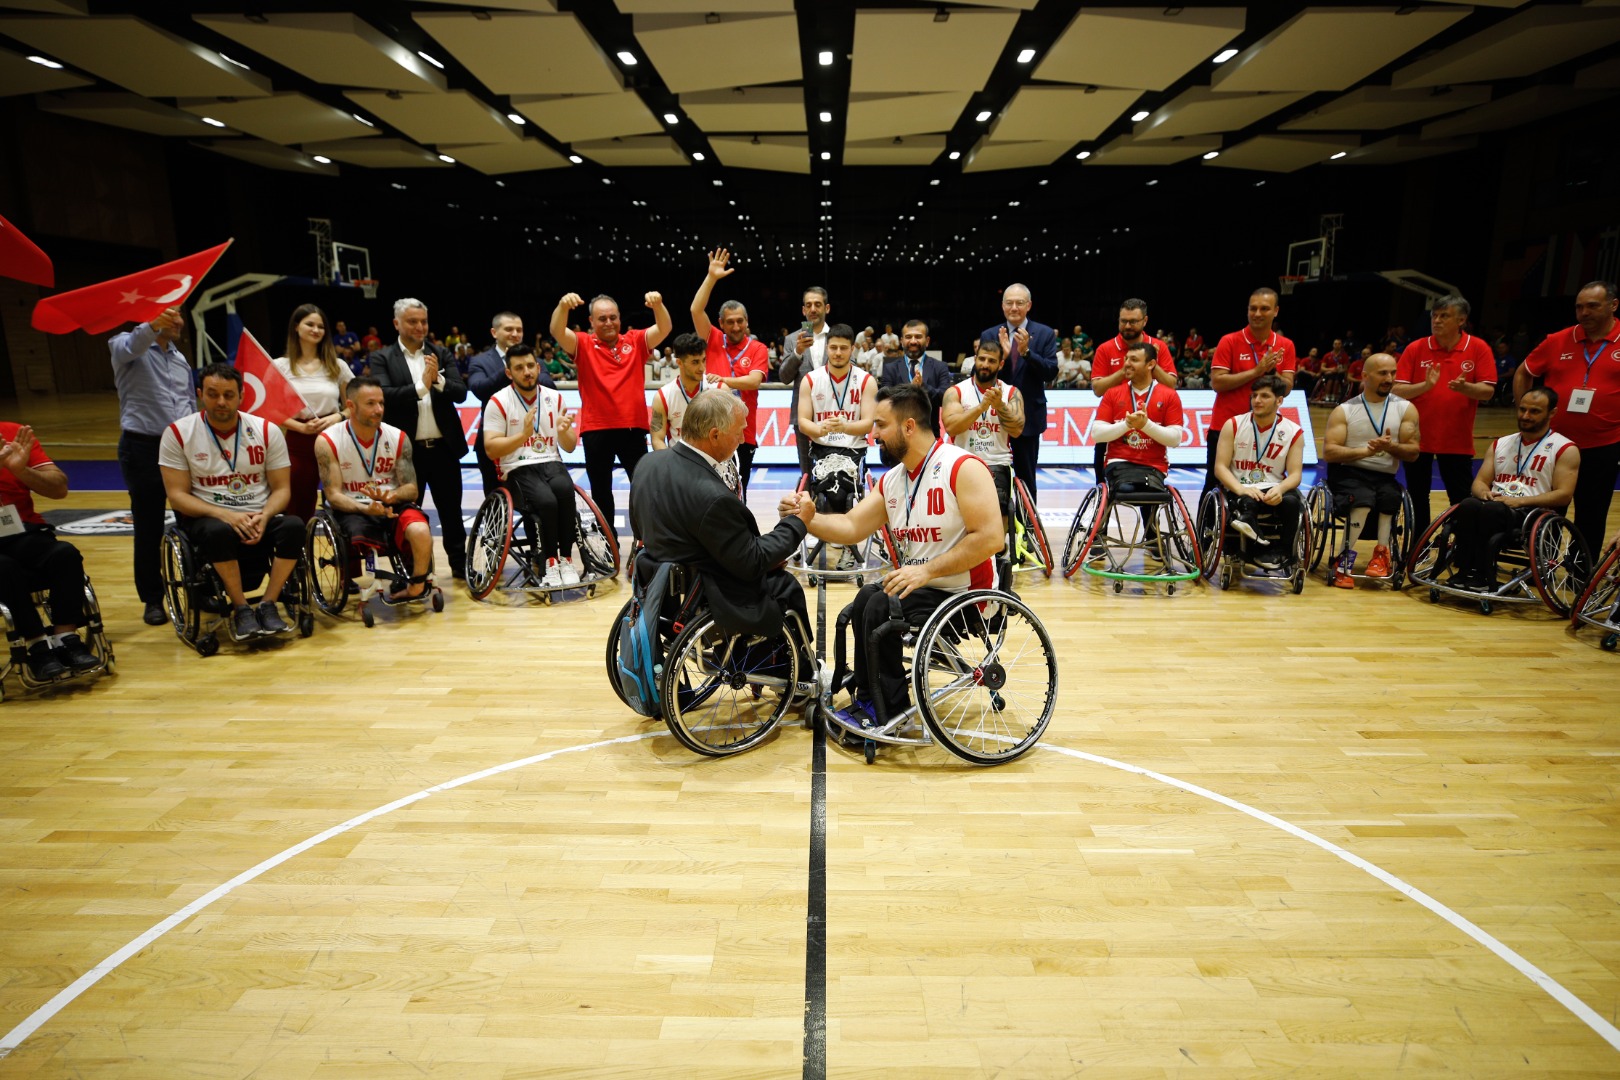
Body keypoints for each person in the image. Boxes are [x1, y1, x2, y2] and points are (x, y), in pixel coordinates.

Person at [788, 384, 1001, 721]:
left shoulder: (963, 467)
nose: (873, 435)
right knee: (865, 599)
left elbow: (991, 539)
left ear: (909, 426)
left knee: (879, 605)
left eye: (881, 425)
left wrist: (927, 571)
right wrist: (808, 518)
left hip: (964, 593)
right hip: (919, 586)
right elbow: (850, 527)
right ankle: (868, 692)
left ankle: (888, 708)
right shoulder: (893, 479)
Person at [631, 391, 813, 649]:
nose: (742, 439)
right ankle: (800, 669)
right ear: (714, 435)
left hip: (662, 586)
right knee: (784, 585)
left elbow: (639, 528)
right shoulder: (712, 496)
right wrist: (798, 523)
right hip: (709, 593)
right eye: (739, 432)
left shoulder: (648, 463)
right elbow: (753, 561)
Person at [158, 364, 304, 640]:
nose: (221, 402)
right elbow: (176, 496)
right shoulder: (178, 434)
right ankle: (241, 609)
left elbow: (282, 489)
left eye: (228, 394)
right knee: (217, 530)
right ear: (201, 394)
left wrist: (265, 514)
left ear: (241, 396)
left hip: (260, 514)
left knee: (294, 526)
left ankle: (268, 604)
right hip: (208, 519)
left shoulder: (266, 430)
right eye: (213, 394)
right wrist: (225, 515)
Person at [551, 290, 669, 540]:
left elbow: (665, 327)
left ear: (619, 319)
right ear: (591, 322)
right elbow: (557, 331)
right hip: (596, 430)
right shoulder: (582, 343)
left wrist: (657, 305)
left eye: (613, 317)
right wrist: (563, 307)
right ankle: (608, 544)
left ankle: (645, 543)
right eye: (602, 318)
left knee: (642, 489)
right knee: (601, 492)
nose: (608, 323)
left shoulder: (635, 340)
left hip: (633, 429)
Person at [368, 298, 469, 580]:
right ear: (396, 323)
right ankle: (414, 571)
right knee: (407, 514)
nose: (420, 327)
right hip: (405, 453)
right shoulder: (382, 357)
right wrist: (421, 386)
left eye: (424, 321)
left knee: (451, 513)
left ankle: (461, 568)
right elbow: (386, 396)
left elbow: (460, 392)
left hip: (443, 449)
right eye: (413, 321)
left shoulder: (440, 353)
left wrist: (439, 381)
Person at [1516, 280, 1620, 549]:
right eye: (1579, 307)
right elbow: (1524, 372)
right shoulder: (1557, 340)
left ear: (1613, 305)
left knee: (1592, 514)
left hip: (1603, 445)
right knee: (1544, 512)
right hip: (1553, 445)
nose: (1584, 312)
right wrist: (1525, 411)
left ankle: (1578, 577)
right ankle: (1541, 571)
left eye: (1592, 306)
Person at [110, 305, 195, 626]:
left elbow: (187, 402)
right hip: (142, 447)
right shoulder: (124, 346)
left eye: (178, 315)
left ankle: (198, 588)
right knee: (148, 528)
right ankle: (153, 598)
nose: (176, 321)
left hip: (181, 448)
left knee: (192, 520)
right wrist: (150, 326)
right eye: (168, 314)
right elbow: (131, 345)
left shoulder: (180, 359)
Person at [1447, 387, 1581, 589]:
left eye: (1534, 411)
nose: (1526, 416)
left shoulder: (1565, 448)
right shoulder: (1501, 443)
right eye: (1522, 409)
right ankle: (1466, 570)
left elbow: (1564, 495)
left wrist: (1519, 501)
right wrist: (1484, 492)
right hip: (1495, 505)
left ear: (1552, 413)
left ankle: (1483, 574)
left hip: (1529, 513)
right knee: (1468, 504)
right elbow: (1479, 482)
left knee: (1491, 510)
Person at [315, 377, 435, 600]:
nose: (378, 409)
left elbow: (412, 489)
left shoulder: (398, 437)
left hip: (391, 504)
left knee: (420, 530)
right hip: (353, 508)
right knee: (357, 532)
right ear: (351, 406)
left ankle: (417, 585)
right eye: (370, 403)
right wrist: (366, 508)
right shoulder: (328, 441)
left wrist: (391, 495)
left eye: (381, 403)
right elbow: (333, 495)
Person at [0, 422, 100, 680]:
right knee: (5, 568)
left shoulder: (13, 434)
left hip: (19, 531)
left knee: (64, 554)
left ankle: (66, 638)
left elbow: (59, 488)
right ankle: (37, 645)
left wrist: (22, 471)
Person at [1394, 295, 1497, 537]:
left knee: (1460, 498)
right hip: (1416, 437)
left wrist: (1466, 389)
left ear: (1461, 320)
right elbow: (1397, 390)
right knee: (1418, 495)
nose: (1437, 320)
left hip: (1456, 439)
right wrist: (1424, 387)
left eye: (1444, 316)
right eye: (1435, 316)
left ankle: (1462, 547)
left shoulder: (1478, 347)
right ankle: (1420, 544)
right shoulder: (1416, 347)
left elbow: (1488, 391)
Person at [482, 343, 581, 587]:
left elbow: (569, 447)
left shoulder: (555, 397)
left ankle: (566, 560)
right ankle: (549, 563)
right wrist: (523, 435)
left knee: (566, 492)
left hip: (550, 461)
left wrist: (565, 432)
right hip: (516, 467)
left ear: (537, 368)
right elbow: (490, 448)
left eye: (529, 366)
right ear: (509, 373)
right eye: (519, 368)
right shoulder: (498, 401)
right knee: (546, 502)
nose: (526, 371)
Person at [1321, 353, 1421, 587]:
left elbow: (1413, 451)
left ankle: (1382, 555)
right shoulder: (1345, 410)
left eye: (1393, 373)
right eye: (1383, 373)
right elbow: (1330, 453)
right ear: (1365, 376)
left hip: (1385, 475)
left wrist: (1391, 447)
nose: (1389, 378)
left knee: (1390, 498)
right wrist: (1364, 452)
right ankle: (1343, 560)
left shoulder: (1406, 409)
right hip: (1348, 472)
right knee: (1363, 499)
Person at [690, 248, 770, 495]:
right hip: (709, 432)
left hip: (742, 433)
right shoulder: (712, 338)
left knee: (738, 492)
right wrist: (711, 278)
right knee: (706, 491)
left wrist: (723, 380)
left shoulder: (758, 348)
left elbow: (754, 381)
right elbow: (696, 310)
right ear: (721, 324)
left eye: (740, 321)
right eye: (730, 322)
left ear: (747, 322)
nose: (735, 326)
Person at [1088, 341, 1186, 544]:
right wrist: (1128, 424)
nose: (1127, 364)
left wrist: (1146, 425)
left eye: (1134, 360)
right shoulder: (1113, 393)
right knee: (1127, 487)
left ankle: (1152, 534)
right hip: (1118, 462)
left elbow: (1176, 439)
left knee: (1149, 489)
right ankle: (1101, 534)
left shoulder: (1169, 395)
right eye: (1125, 359)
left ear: (1151, 364)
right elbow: (1097, 433)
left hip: (1154, 466)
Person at [1205, 288, 1297, 497]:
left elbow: (1287, 387)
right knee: (1214, 482)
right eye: (1253, 308)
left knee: (1260, 481)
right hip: (1226, 426)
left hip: (1265, 429)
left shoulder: (1285, 345)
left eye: (1264, 309)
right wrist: (1257, 371)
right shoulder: (1229, 341)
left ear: (1276, 311)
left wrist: (1271, 370)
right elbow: (1217, 383)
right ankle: (1207, 529)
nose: (1257, 313)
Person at [799, 324, 876, 569]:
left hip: (853, 450)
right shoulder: (811, 379)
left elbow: (867, 424)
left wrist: (843, 426)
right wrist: (819, 429)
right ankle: (836, 539)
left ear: (852, 349)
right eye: (833, 347)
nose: (838, 353)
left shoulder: (866, 380)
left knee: (843, 490)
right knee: (825, 488)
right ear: (827, 349)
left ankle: (843, 543)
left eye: (844, 348)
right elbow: (802, 422)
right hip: (821, 449)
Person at [1211, 373, 1306, 560]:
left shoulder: (1293, 431)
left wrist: (1280, 488)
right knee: (1248, 502)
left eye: (1264, 396)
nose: (1257, 400)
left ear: (1279, 400)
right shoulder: (1233, 425)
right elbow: (1220, 467)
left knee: (1291, 502)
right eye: (1254, 395)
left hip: (1274, 487)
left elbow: (1295, 475)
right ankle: (1251, 545)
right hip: (1240, 486)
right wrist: (1241, 489)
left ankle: (1285, 553)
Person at [273, 303, 351, 526]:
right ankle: (296, 558)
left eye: (321, 326)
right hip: (297, 441)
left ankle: (347, 557)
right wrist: (300, 427)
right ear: (296, 327)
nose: (316, 330)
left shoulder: (338, 366)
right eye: (310, 324)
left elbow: (352, 406)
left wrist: (338, 417)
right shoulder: (280, 366)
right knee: (297, 505)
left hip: (334, 440)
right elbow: (271, 410)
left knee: (342, 501)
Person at [977, 284, 1057, 498]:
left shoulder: (1044, 333)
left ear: (1028, 305)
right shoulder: (990, 334)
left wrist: (1026, 353)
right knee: (991, 477)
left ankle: (1028, 527)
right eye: (1009, 302)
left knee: (1026, 479)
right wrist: (1002, 359)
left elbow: (1050, 372)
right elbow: (982, 376)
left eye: (1019, 303)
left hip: (1029, 417)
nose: (1014, 307)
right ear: (1002, 306)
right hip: (993, 418)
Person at [1088, 299, 1177, 482]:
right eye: (1123, 321)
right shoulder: (1105, 348)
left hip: (1150, 424)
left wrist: (1152, 362)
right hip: (1114, 421)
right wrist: (1124, 371)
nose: (1127, 326)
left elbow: (1171, 386)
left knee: (1149, 491)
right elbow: (1097, 389)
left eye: (1133, 321)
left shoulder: (1158, 346)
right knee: (1104, 486)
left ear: (1145, 321)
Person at [941, 336, 1024, 529]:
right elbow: (951, 426)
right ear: (975, 359)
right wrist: (981, 407)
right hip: (962, 461)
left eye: (992, 361)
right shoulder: (956, 391)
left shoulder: (1011, 393)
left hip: (996, 463)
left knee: (998, 510)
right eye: (982, 359)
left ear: (1001, 364)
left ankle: (998, 551)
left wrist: (1000, 406)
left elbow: (1017, 430)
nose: (985, 364)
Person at [467, 311, 553, 494]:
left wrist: (522, 370)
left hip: (533, 440)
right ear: (494, 332)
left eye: (519, 330)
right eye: (509, 329)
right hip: (494, 440)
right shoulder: (480, 361)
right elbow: (479, 389)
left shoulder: (532, 360)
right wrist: (508, 368)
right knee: (495, 498)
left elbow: (549, 386)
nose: (515, 334)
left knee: (539, 498)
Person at [779, 286, 833, 473]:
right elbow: (784, 377)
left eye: (817, 304)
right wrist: (798, 352)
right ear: (803, 310)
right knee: (806, 473)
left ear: (826, 308)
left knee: (833, 469)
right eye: (808, 305)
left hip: (833, 414)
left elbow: (851, 369)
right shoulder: (793, 340)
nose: (812, 309)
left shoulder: (838, 337)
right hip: (802, 417)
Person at [650, 333, 709, 450]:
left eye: (704, 360)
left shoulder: (718, 388)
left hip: (713, 462)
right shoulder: (663, 396)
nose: (702, 368)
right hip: (679, 461)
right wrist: (671, 465)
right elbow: (657, 439)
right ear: (679, 363)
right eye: (695, 362)